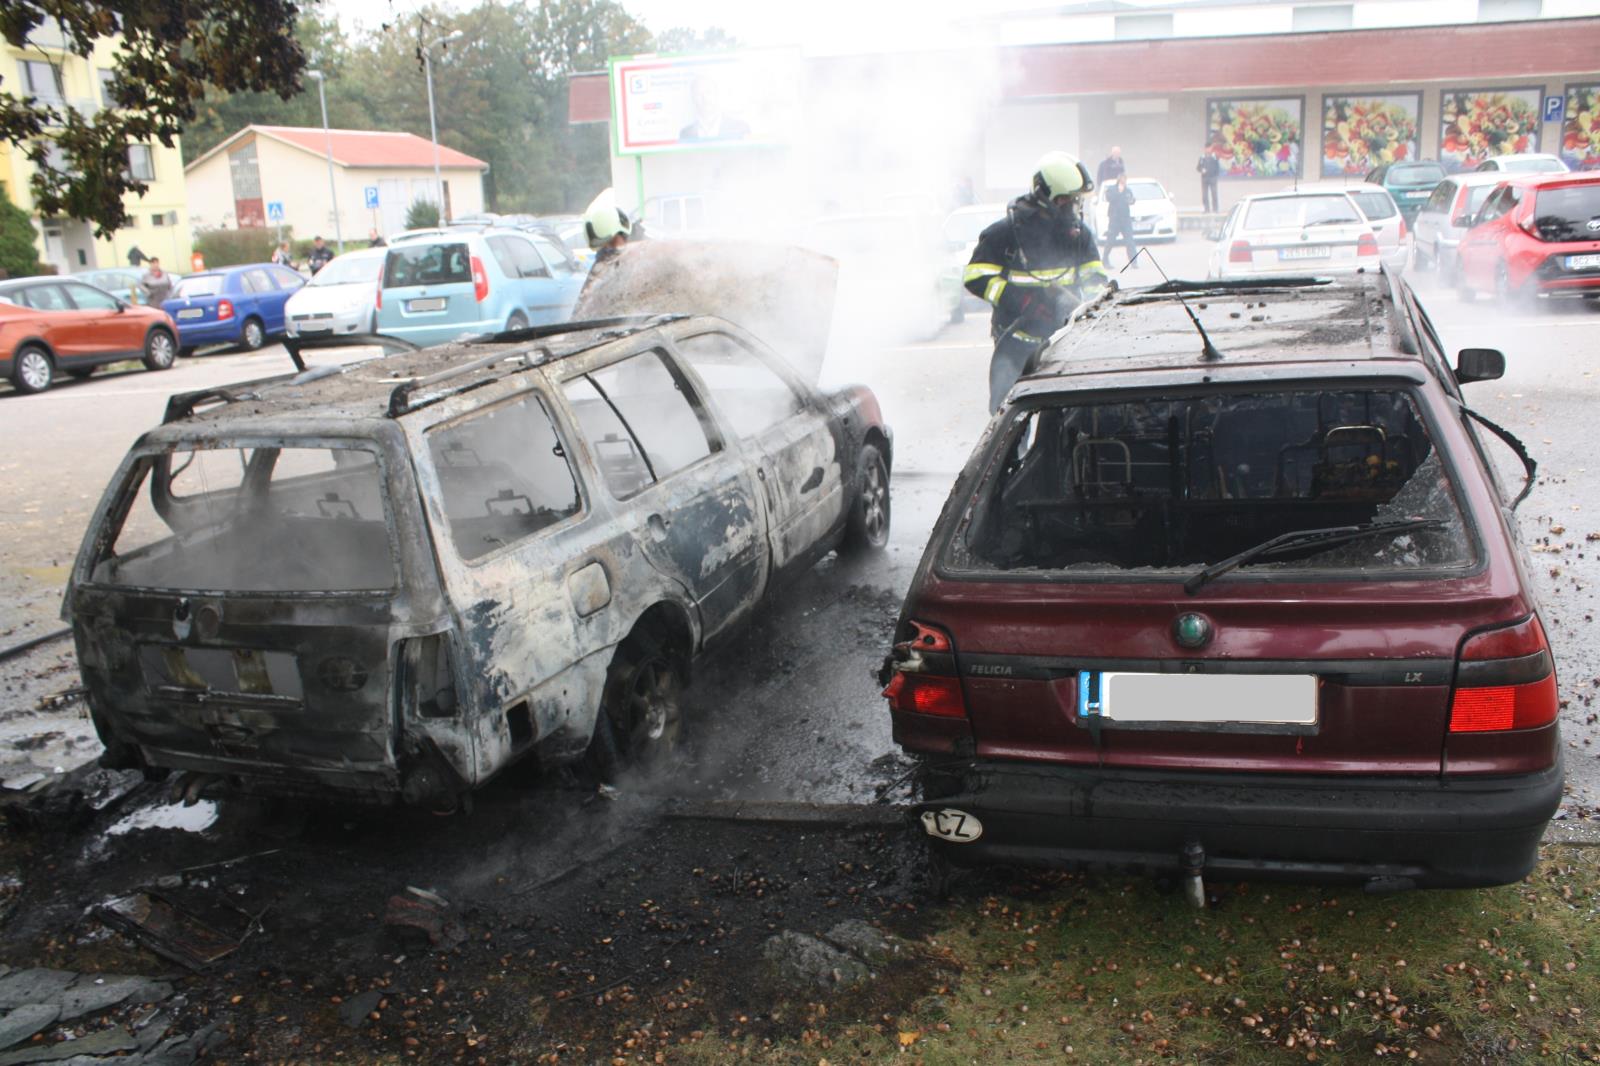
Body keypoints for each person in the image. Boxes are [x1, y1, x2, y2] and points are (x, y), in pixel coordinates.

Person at [963, 151, 1110, 412]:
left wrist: (1091, 306)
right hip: (1014, 343)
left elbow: (1094, 278)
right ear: (1045, 195)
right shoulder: (1005, 233)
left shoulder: (1079, 235)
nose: (1072, 207)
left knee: (1067, 417)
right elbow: (975, 276)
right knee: (1007, 413)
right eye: (1065, 200)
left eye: (1075, 201)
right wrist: (1020, 300)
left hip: (1065, 342)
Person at [582, 188, 645, 269]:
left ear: (624, 234)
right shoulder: (602, 264)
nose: (608, 251)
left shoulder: (648, 255)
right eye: (602, 247)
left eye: (611, 243)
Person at [678, 74, 750, 143]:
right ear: (693, 99)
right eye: (698, 94)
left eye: (708, 92)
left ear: (716, 94)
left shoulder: (740, 128)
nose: (705, 98)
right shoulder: (685, 134)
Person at [1102, 173, 1139, 268]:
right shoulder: (1112, 189)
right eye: (1122, 180)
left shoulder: (1127, 190)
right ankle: (1105, 260)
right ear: (1118, 180)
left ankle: (1134, 262)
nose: (1124, 182)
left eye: (1125, 180)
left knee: (1129, 240)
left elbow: (1131, 199)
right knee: (1110, 240)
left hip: (1125, 219)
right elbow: (1109, 198)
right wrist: (1119, 192)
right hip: (1114, 219)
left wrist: (1132, 200)